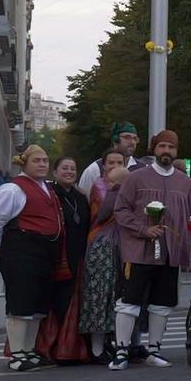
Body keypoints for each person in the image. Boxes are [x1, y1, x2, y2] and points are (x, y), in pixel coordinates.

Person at [107, 130, 191, 370]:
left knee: (162, 303)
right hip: (139, 251)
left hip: (170, 252)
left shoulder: (185, 182)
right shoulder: (136, 178)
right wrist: (142, 229)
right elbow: (121, 210)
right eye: (162, 147)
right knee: (130, 301)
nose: (167, 151)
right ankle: (121, 350)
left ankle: (154, 349)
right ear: (154, 149)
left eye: (171, 147)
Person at [0, 145, 64, 372]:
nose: (42, 164)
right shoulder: (13, 189)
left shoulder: (47, 188)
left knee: (38, 303)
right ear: (24, 163)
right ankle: (17, 354)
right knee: (20, 301)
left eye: (45, 160)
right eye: (37, 160)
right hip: (21, 250)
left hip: (44, 252)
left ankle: (29, 351)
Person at [37, 155, 94, 363]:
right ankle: (48, 348)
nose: (69, 172)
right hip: (56, 257)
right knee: (55, 303)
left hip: (77, 258)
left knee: (72, 303)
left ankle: (69, 349)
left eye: (73, 168)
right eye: (65, 168)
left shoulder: (81, 197)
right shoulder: (50, 194)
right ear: (55, 172)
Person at [78, 151, 131, 360]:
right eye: (111, 162)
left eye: (120, 162)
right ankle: (97, 347)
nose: (116, 165)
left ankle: (115, 341)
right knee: (100, 292)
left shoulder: (127, 186)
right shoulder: (100, 186)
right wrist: (119, 187)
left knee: (119, 293)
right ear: (104, 166)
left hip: (123, 244)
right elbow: (105, 212)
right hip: (102, 244)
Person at [78, 123, 140, 196]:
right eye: (127, 137)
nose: (132, 142)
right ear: (115, 140)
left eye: (135, 138)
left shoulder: (142, 168)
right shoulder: (95, 169)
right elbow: (83, 199)